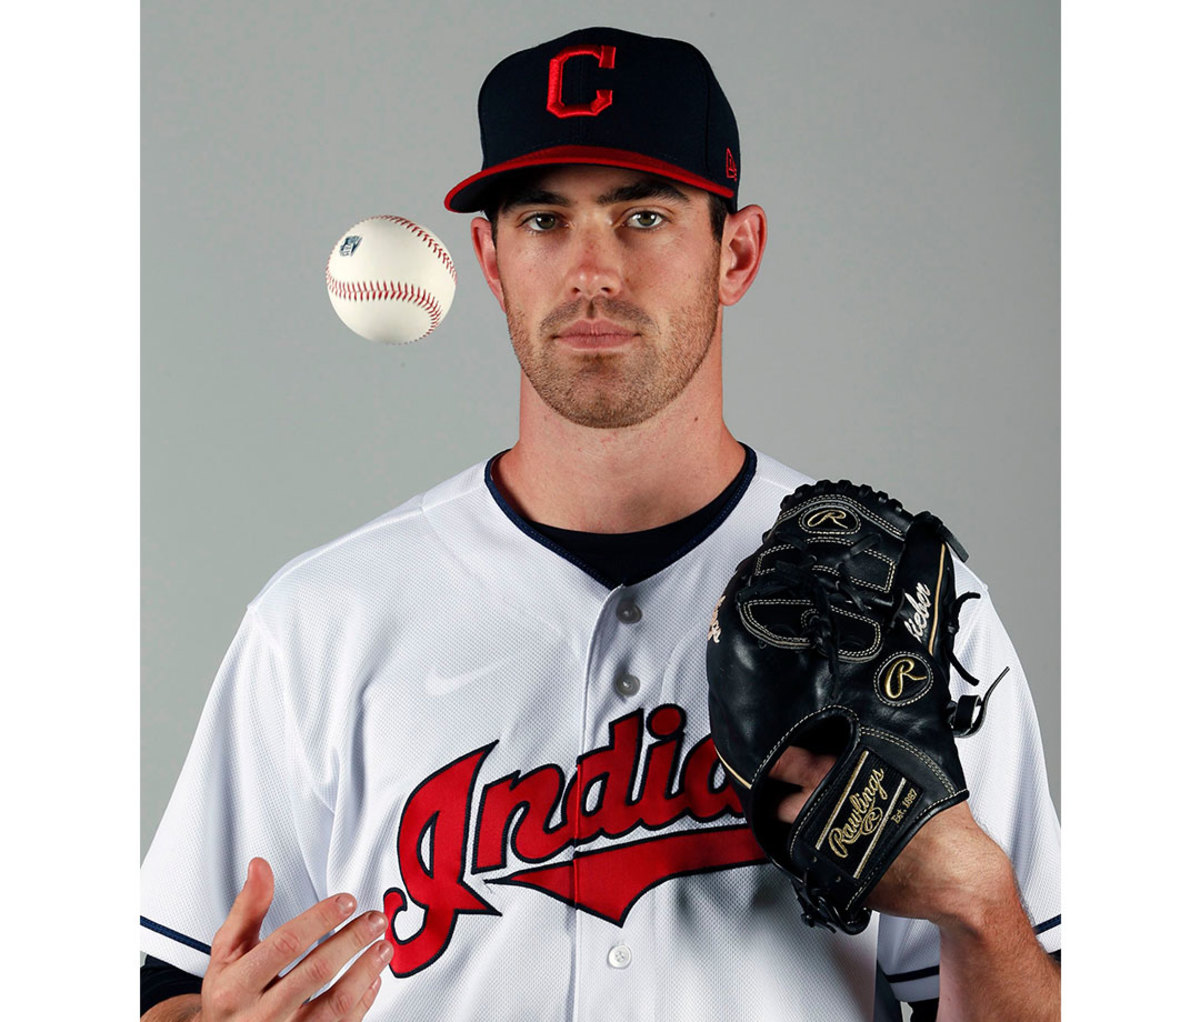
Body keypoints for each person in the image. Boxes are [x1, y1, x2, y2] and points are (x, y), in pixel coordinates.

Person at [141, 26, 1061, 1021]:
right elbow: (167, 987)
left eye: (645, 215)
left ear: (736, 251)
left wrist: (981, 902)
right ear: (489, 258)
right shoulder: (321, 620)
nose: (592, 270)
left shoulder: (914, 616)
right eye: (544, 220)